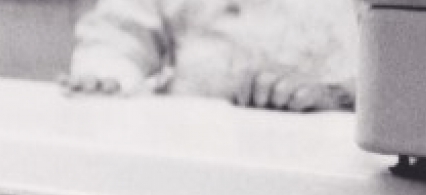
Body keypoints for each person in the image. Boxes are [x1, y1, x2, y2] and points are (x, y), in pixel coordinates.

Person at [60, 0, 362, 112]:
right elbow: (118, 37)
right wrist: (104, 78)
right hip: (198, 158)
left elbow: (405, 78)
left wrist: (339, 95)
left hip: (334, 164)